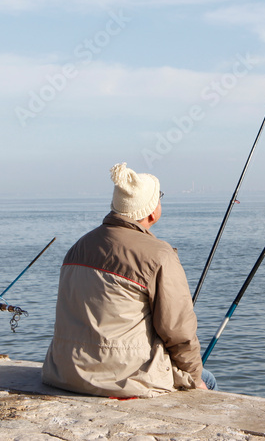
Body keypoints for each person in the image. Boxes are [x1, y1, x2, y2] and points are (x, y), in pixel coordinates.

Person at [42, 163, 215, 398]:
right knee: (208, 380)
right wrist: (194, 377)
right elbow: (178, 331)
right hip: (123, 378)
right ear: (151, 211)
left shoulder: (78, 247)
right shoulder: (159, 255)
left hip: (63, 371)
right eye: (159, 197)